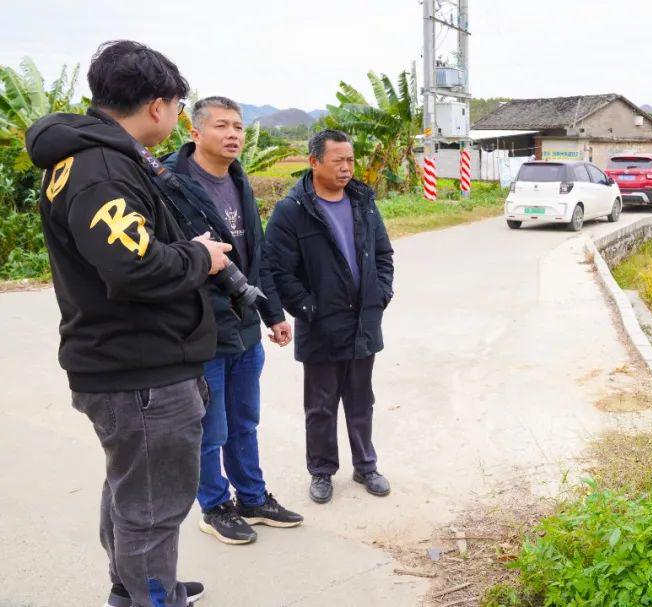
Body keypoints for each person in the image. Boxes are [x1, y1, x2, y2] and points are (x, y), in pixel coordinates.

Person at [25, 40, 232, 607]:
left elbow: (128, 248)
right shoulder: (100, 169)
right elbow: (133, 266)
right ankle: (154, 596)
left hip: (128, 363)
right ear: (159, 105)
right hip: (140, 369)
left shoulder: (95, 158)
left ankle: (134, 586)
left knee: (132, 491)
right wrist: (201, 257)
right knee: (151, 508)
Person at [160, 96, 303, 545]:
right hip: (201, 330)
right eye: (221, 126)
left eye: (238, 126)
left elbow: (255, 257)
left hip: (244, 329)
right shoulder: (169, 184)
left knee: (244, 421)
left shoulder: (239, 180)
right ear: (195, 133)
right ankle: (214, 505)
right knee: (209, 426)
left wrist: (272, 313)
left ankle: (253, 497)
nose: (234, 134)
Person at [264, 129, 394, 504]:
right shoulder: (293, 210)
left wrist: (380, 294)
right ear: (314, 162)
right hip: (320, 325)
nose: (346, 167)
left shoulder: (363, 203)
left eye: (350, 160)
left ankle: (366, 465)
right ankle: (321, 471)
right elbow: (278, 270)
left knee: (361, 400)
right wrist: (308, 309)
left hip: (363, 322)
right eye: (337, 160)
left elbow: (383, 255)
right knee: (320, 405)